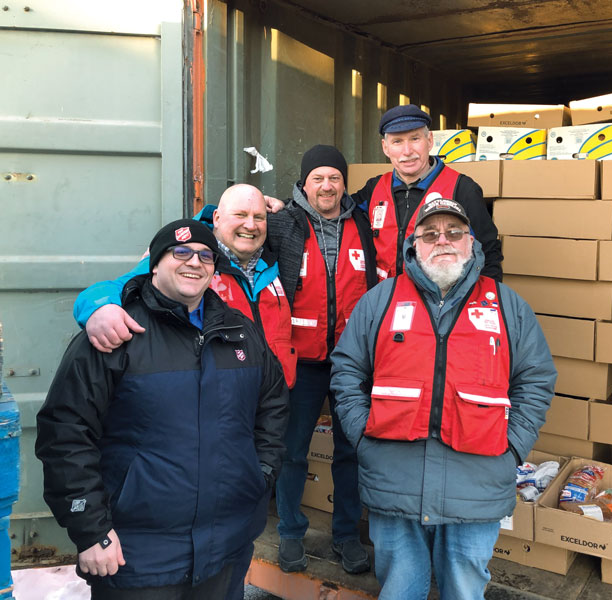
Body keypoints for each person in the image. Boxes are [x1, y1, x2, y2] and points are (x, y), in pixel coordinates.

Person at [36, 219, 289, 599]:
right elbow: (66, 433)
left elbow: (273, 404)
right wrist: (90, 531)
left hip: (226, 548)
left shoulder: (239, 333)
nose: (195, 262)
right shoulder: (115, 334)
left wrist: (260, 474)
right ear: (154, 263)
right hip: (135, 556)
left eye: (206, 255)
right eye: (181, 252)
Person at [329, 198, 556, 600]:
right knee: (399, 589)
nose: (443, 241)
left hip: (478, 484)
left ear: (472, 242)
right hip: (393, 478)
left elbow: (535, 379)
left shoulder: (507, 306)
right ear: (413, 245)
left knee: (465, 591)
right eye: (430, 234)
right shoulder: (381, 301)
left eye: (454, 232)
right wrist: (362, 436)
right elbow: (347, 371)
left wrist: (513, 447)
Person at [267, 144, 378, 575]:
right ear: (304, 183)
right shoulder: (283, 223)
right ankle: (291, 533)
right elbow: (231, 227)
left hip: (353, 360)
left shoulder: (364, 223)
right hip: (301, 358)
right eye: (318, 178)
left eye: (334, 177)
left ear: (344, 183)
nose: (327, 185)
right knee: (292, 451)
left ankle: (347, 536)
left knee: (350, 451)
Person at [73, 184, 296, 389]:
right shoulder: (187, 258)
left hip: (276, 394)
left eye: (259, 217)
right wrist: (98, 308)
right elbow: (118, 286)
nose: (251, 225)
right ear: (217, 217)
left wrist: (284, 205)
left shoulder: (275, 259)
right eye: (240, 215)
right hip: (218, 397)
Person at [350, 103, 503, 281]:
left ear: (429, 140)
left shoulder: (462, 189)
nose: (407, 151)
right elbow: (335, 212)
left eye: (415, 139)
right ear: (385, 147)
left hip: (440, 304)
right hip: (386, 301)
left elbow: (488, 253)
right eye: (397, 141)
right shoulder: (373, 189)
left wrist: (487, 299)